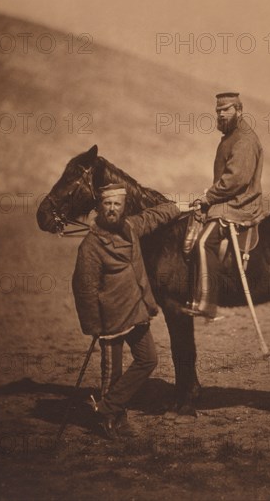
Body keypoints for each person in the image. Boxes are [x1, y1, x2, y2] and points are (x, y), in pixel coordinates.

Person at [72, 183, 180, 439]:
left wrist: (183, 206)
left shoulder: (131, 227)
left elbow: (154, 216)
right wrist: (93, 326)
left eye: (117, 204)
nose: (112, 209)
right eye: (107, 204)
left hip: (136, 310)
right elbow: (84, 288)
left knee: (148, 360)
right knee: (112, 372)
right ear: (99, 208)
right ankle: (111, 419)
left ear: (124, 207)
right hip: (110, 318)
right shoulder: (91, 245)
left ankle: (107, 407)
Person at [184, 92, 265, 319]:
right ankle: (193, 294)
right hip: (228, 199)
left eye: (226, 109)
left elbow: (235, 180)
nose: (220, 114)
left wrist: (208, 198)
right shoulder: (231, 136)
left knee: (203, 242)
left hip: (239, 203)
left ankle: (208, 302)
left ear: (239, 111)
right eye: (218, 110)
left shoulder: (244, 139)